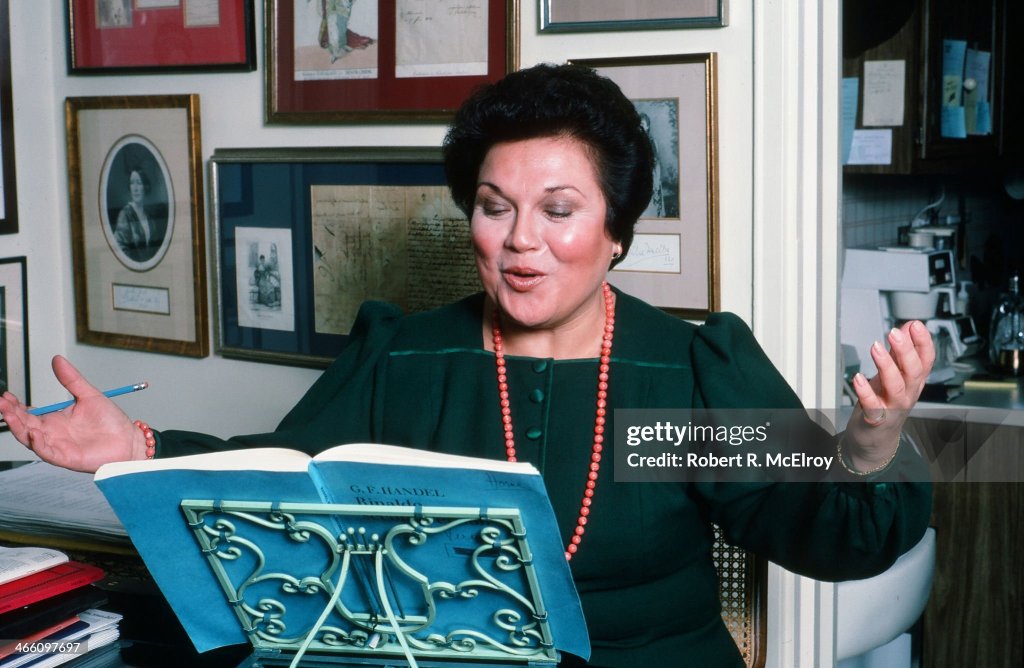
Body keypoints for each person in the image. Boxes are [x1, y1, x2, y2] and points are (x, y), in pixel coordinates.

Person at [0, 64, 934, 667]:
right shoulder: (409, 355)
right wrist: (139, 446)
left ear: (616, 231)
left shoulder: (680, 373)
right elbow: (279, 477)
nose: (521, 240)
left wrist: (868, 446)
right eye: (494, 207)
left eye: (558, 210)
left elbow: (828, 538)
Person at [112, 167, 166, 265]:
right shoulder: (125, 214)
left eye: (139, 183)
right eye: (132, 183)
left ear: (145, 187)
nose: (135, 188)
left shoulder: (149, 217)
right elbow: (119, 248)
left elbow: (155, 249)